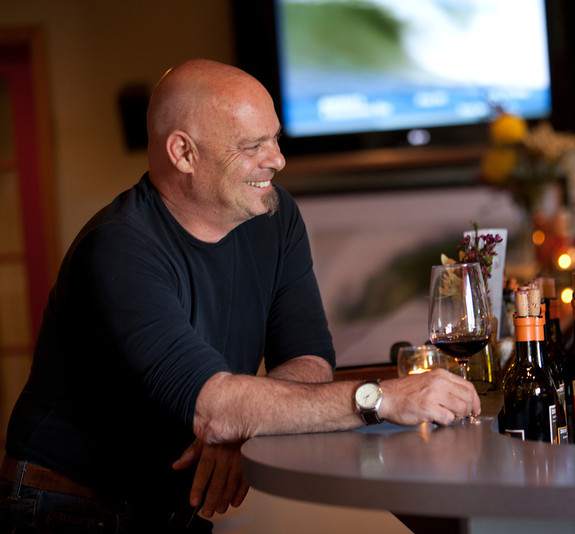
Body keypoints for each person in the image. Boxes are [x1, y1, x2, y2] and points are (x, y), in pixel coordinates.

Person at [0, 59, 480, 533]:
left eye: (275, 138)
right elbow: (214, 407)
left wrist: (247, 420)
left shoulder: (274, 214)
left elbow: (309, 358)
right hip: (67, 505)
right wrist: (378, 399)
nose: (277, 159)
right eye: (253, 146)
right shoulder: (119, 247)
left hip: (172, 503)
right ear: (183, 153)